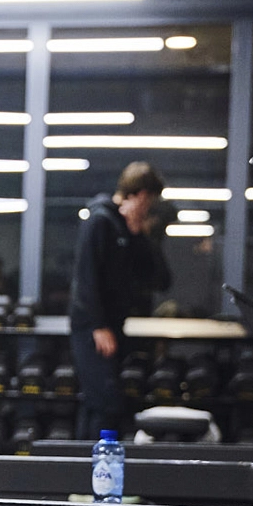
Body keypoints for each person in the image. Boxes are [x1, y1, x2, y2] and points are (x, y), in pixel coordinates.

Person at [69, 161, 172, 439]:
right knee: (107, 402)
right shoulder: (99, 221)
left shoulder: (129, 231)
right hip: (93, 328)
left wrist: (140, 234)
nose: (149, 208)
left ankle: (87, 472)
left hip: (114, 326)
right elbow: (85, 278)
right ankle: (101, 470)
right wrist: (98, 325)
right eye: (148, 201)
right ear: (138, 195)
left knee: (96, 404)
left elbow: (160, 280)